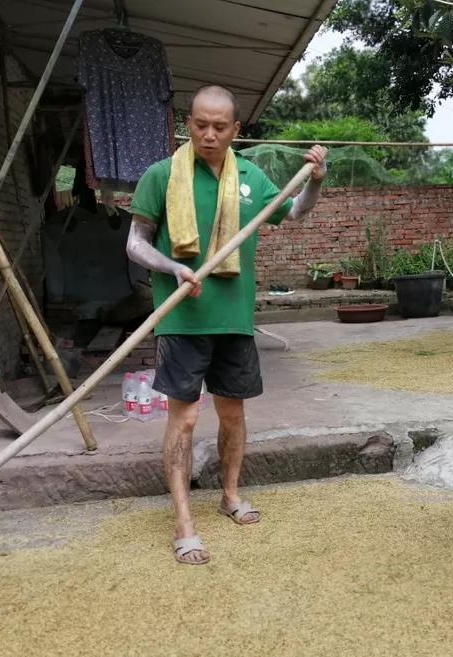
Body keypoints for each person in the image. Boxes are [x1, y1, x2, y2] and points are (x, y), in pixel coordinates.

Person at [126, 85, 328, 565]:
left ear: (236, 130)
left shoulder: (252, 177)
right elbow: (135, 243)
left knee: (232, 414)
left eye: (219, 126)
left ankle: (230, 494)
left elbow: (295, 212)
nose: (209, 134)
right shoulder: (161, 175)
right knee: (184, 419)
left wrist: (316, 180)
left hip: (234, 320)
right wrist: (173, 268)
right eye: (200, 124)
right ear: (188, 124)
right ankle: (183, 522)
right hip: (181, 318)